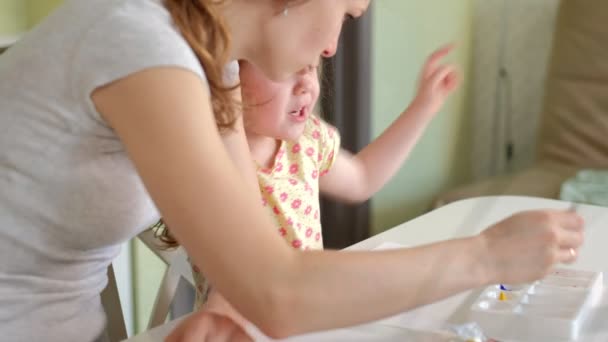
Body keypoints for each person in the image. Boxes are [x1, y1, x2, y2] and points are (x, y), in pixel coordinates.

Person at [0, 0, 584, 341]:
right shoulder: (138, 45)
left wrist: (213, 316)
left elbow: (250, 266)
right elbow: (277, 292)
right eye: (347, 12)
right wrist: (484, 256)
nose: (331, 49)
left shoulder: (214, 63)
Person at [182, 45, 458, 320]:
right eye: (287, 69)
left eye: (312, 66)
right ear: (230, 77)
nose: (306, 85)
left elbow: (362, 177)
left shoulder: (306, 142)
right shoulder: (207, 157)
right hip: (234, 326)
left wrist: (423, 107)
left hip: (306, 318)